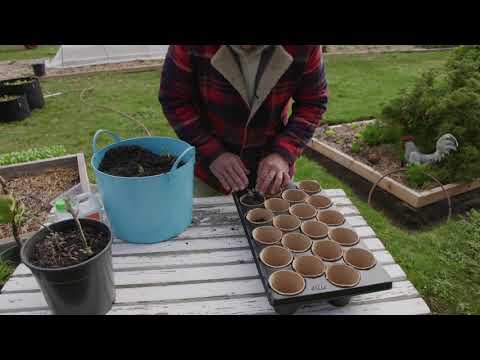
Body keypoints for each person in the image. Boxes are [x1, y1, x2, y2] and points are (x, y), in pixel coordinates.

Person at [159, 45, 328, 197]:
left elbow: (313, 102)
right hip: (209, 171)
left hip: (273, 170)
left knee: (277, 226)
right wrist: (211, 151)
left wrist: (283, 154)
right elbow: (174, 99)